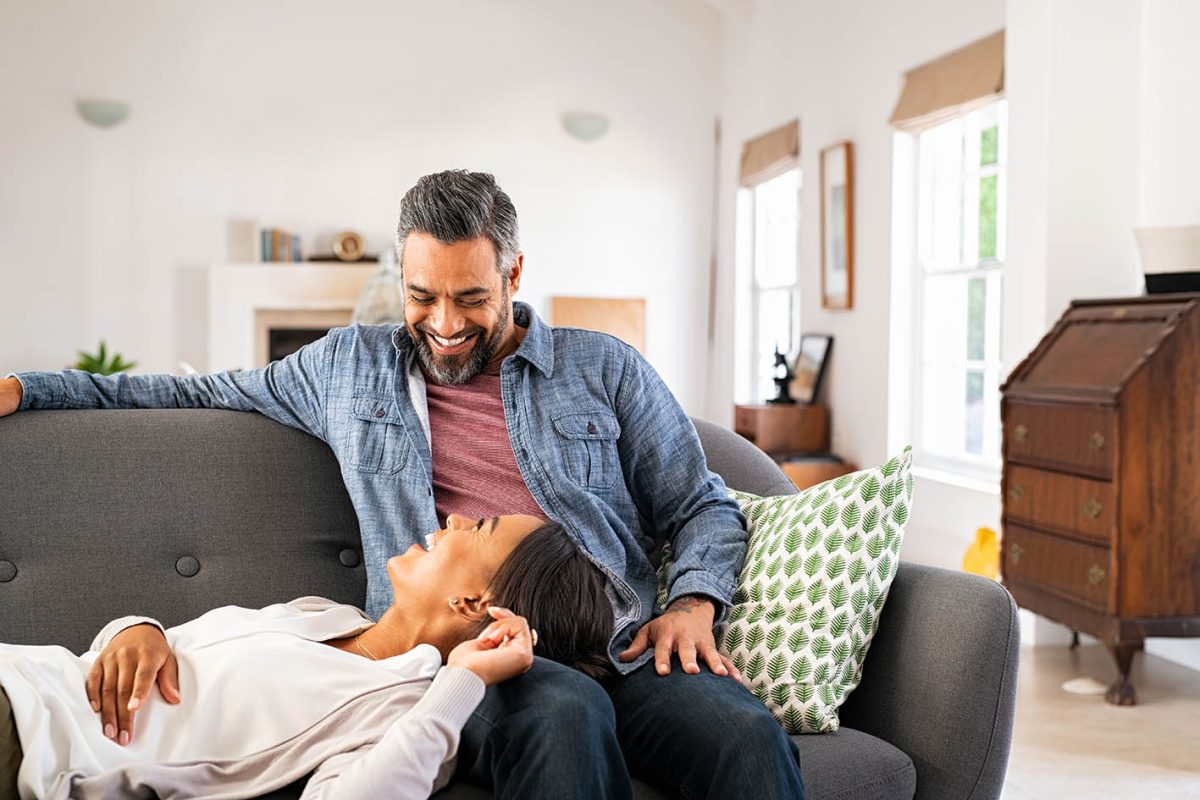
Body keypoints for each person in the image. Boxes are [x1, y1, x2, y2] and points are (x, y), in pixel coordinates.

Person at [0, 169, 806, 798]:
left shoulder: (603, 368)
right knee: (565, 712)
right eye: (423, 296)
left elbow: (701, 505)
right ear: (401, 274)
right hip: (475, 650)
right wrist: (29, 390)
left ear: (515, 272)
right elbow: (188, 393)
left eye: (471, 298)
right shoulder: (347, 369)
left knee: (745, 737)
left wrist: (695, 603)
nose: (446, 324)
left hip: (622, 640)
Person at [0, 514, 614, 799]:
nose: (451, 516)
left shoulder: (405, 707)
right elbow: (184, 649)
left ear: (473, 600)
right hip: (25, 674)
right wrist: (135, 628)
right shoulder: (325, 613)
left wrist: (461, 681)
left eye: (477, 527)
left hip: (31, 746)